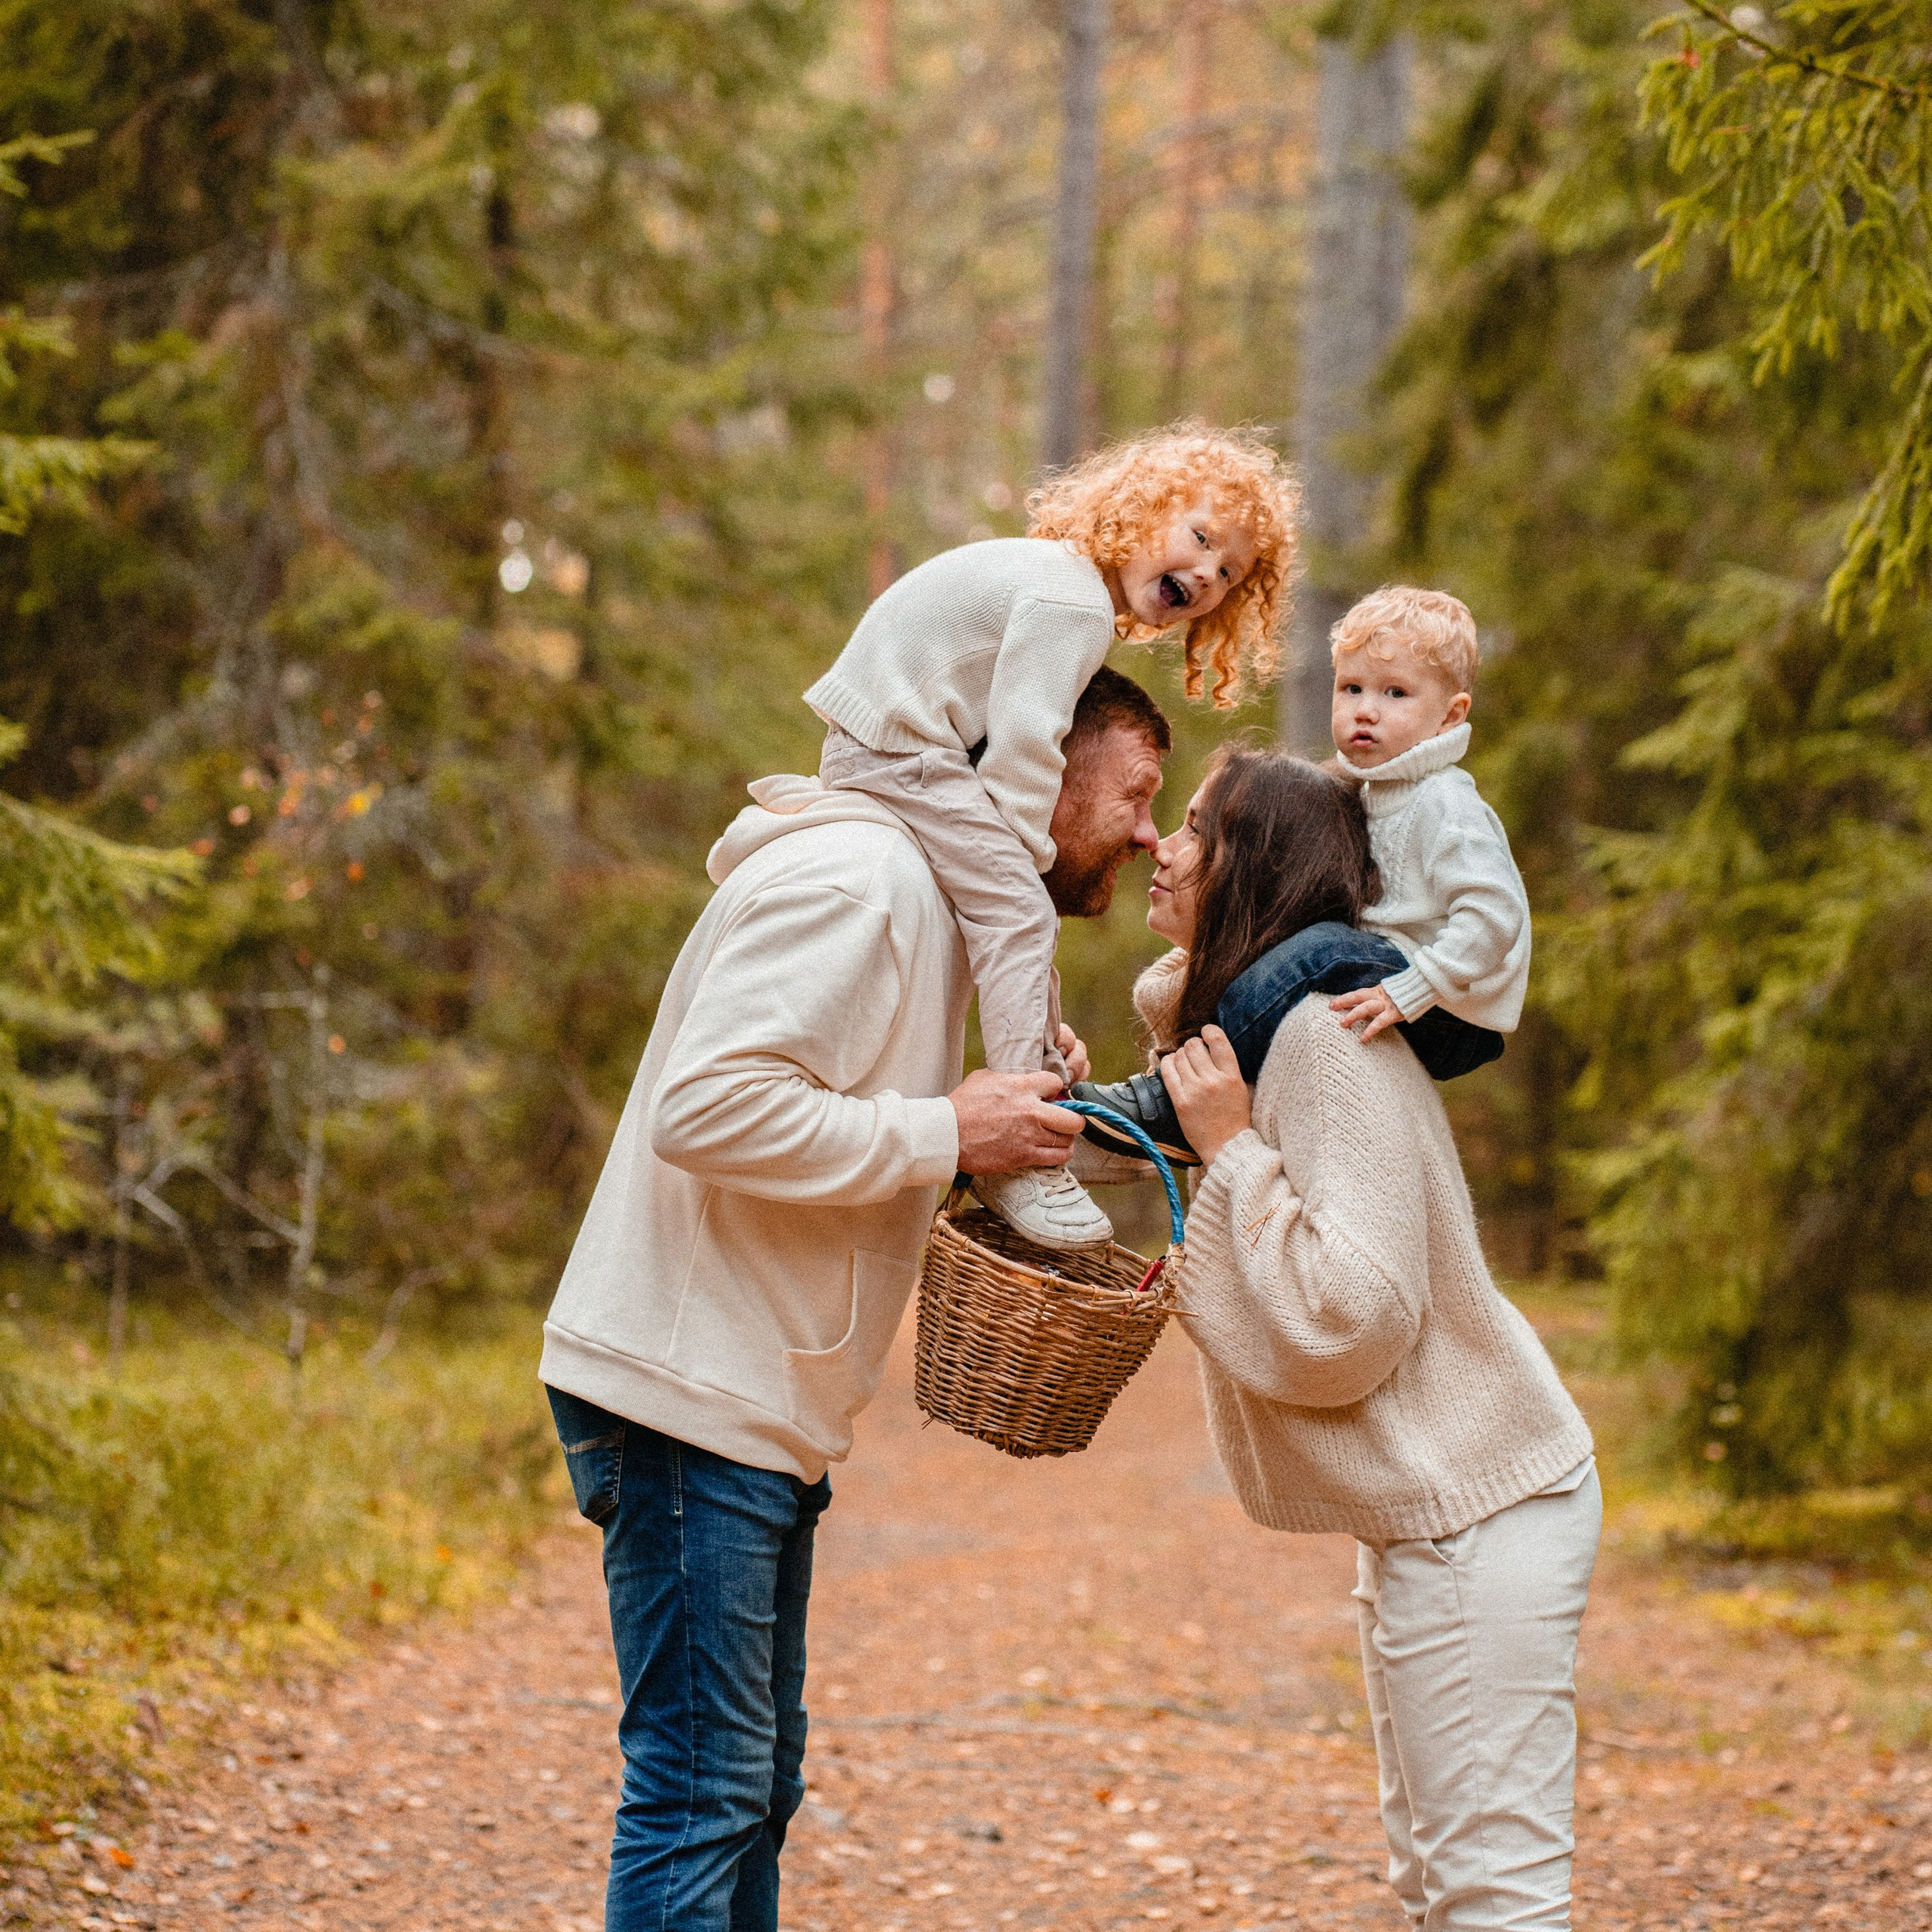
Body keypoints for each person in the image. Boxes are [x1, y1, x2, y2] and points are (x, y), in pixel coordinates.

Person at [538, 667, 1173, 1932]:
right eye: (1139, 794)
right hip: (689, 1396)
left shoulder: (933, 907)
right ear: (1040, 770)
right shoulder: (859, 881)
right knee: (700, 1795)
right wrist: (947, 1127)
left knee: (748, 1791)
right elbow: (706, 1109)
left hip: (749, 1401)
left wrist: (1003, 1121)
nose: (1151, 834)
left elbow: (858, 1124)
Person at [1115, 745, 1597, 1930]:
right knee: (1439, 1884)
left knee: (1491, 1895)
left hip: (1479, 1509)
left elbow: (1356, 1313)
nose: (1162, 847)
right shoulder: (1270, 1036)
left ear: (1257, 864)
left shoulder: (1323, 1041)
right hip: (1439, 1515)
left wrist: (1232, 1153)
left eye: (1196, 827)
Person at [806, 421, 1299, 1244]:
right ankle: (1022, 1149)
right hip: (899, 746)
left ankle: (1043, 1087)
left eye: (1229, 574)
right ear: (1143, 512)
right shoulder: (1072, 600)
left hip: (893, 739)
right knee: (1018, 910)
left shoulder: (1061, 585)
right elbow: (1028, 748)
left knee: (1014, 913)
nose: (1207, 574)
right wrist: (1029, 857)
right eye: (1201, 538)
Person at [1074, 585, 1530, 1164]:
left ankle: (1173, 1099)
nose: (1366, 710)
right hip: (1410, 980)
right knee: (1312, 950)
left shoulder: (1445, 803)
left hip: (1450, 1005)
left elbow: (1495, 918)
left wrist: (1414, 988)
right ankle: (1190, 1098)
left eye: (1395, 693)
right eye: (1352, 688)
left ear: (1450, 716)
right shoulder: (1376, 789)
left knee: (1318, 952)